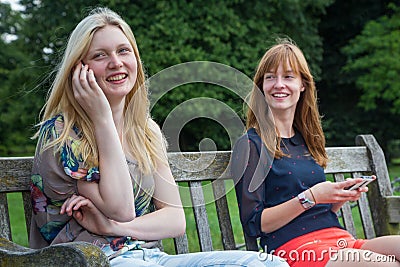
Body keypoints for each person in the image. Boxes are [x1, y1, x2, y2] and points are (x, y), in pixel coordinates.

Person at [29, 7, 289, 267]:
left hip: (148, 257)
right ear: (80, 70)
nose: (116, 62)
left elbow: (174, 220)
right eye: (100, 55)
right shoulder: (64, 133)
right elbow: (122, 208)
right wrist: (103, 119)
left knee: (268, 264)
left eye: (123, 51)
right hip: (92, 260)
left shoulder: (146, 130)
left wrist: (110, 227)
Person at [231, 38, 400, 267]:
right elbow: (255, 223)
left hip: (338, 242)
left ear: (302, 85)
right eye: (270, 77)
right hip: (294, 249)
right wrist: (310, 197)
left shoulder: (307, 140)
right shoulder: (251, 145)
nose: (278, 84)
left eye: (288, 77)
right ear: (261, 86)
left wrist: (337, 197)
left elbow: (312, 208)